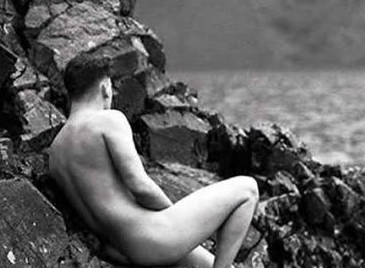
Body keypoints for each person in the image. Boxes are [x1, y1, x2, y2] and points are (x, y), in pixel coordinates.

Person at [47, 54, 259, 268]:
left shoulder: (56, 151)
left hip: (123, 248)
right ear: (105, 88)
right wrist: (174, 217)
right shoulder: (107, 120)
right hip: (154, 236)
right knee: (248, 189)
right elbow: (139, 186)